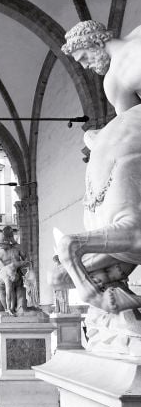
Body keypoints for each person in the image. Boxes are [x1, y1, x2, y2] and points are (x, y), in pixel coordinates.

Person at [56, 21, 141, 314]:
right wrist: (101, 138)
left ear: (93, 43)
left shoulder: (115, 81)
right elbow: (130, 128)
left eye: (83, 59)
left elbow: (129, 120)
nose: (87, 66)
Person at [0, 226, 30, 315]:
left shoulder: (17, 248)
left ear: (7, 242)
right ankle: (7, 309)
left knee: (21, 306)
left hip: (17, 276)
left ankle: (14, 309)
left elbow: (26, 261)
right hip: (6, 276)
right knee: (4, 292)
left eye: (1, 243)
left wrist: (27, 273)